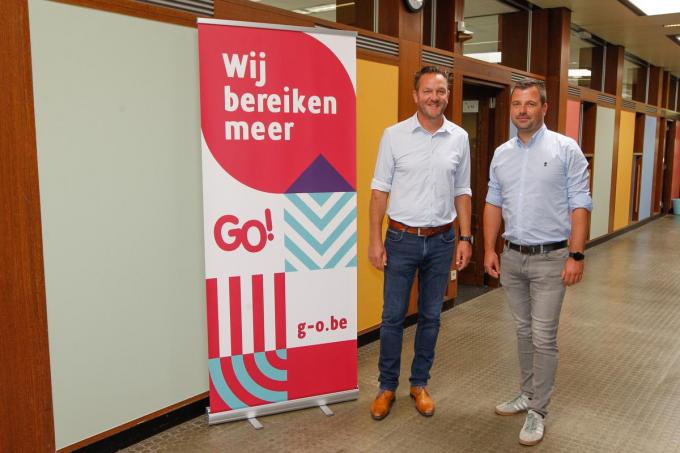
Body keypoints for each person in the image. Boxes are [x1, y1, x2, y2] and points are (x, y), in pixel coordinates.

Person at [483, 79, 592, 445]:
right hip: (513, 256)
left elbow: (580, 204)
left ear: (545, 107)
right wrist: (489, 249)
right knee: (523, 332)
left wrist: (576, 254)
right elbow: (493, 202)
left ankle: (538, 410)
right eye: (517, 104)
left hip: (552, 258)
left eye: (530, 104)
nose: (522, 110)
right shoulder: (502, 154)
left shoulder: (565, 149)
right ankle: (527, 393)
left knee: (543, 336)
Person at [368, 66, 472, 420]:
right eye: (428, 91)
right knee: (392, 317)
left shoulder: (459, 137)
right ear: (415, 95)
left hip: (442, 240)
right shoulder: (393, 136)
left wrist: (465, 237)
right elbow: (379, 191)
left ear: (447, 96)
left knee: (431, 316)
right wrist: (375, 240)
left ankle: (419, 383)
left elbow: (462, 190)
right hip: (400, 239)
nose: (434, 97)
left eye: (440, 91)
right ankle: (386, 387)